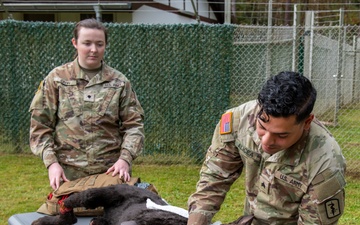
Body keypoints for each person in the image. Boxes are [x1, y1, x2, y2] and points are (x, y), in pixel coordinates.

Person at [187, 71, 346, 225]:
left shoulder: (325, 164)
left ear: (306, 122)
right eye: (262, 126)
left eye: (281, 135)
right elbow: (214, 180)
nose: (266, 141)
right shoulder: (237, 121)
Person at [29, 18, 145, 190]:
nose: (93, 50)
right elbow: (40, 126)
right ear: (75, 43)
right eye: (87, 43)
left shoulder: (119, 82)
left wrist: (125, 159)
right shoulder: (57, 79)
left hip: (111, 174)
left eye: (99, 44)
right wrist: (52, 164)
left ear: (105, 45)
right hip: (68, 176)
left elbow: (134, 125)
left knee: (114, 217)